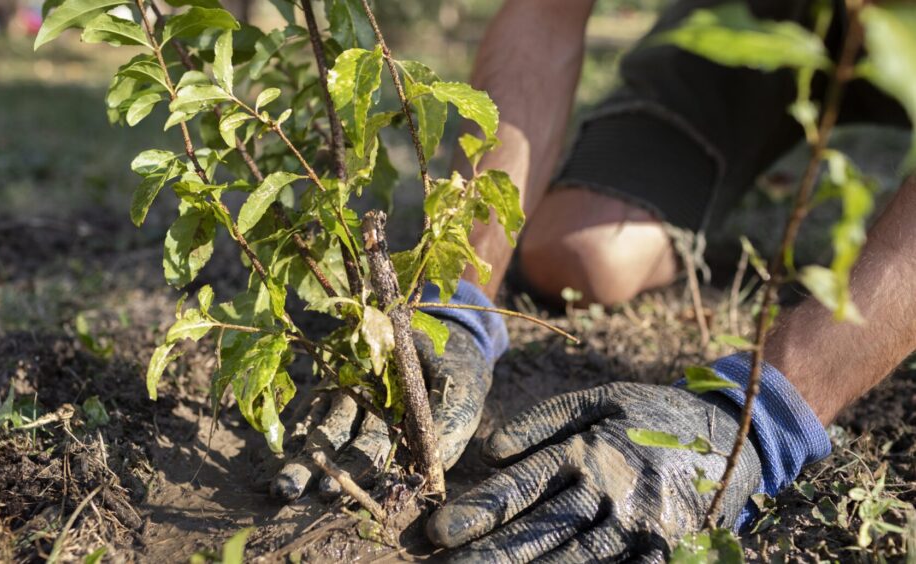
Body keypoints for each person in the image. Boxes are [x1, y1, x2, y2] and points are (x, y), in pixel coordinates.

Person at [266, 0, 914, 561]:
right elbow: (542, 18)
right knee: (582, 254)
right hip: (760, 21)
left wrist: (768, 415)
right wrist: (457, 291)